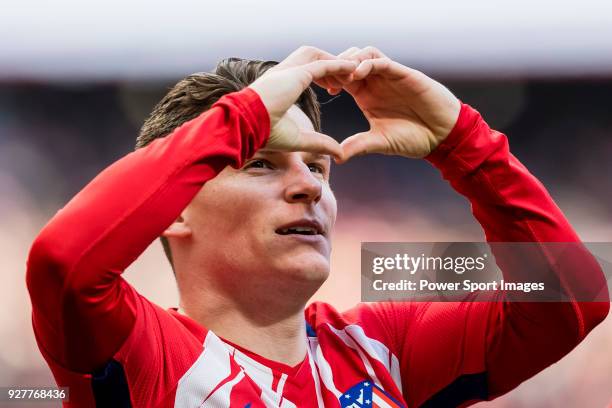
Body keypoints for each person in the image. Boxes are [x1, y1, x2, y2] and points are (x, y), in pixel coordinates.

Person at [26, 46, 609, 408]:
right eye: (259, 163)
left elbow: (572, 300)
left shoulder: (381, 348)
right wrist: (245, 114)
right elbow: (64, 262)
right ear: (173, 209)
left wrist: (466, 143)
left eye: (319, 166)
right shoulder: (144, 357)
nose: (309, 186)